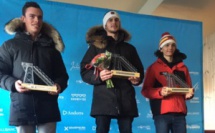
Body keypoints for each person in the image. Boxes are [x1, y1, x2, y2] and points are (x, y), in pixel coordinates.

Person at [0, 1, 69, 133]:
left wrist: (59, 85)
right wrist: (14, 84)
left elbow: (62, 75)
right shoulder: (9, 46)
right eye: (32, 16)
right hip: (22, 108)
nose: (36, 20)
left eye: (40, 17)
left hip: (48, 108)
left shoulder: (51, 49)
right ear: (23, 19)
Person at [80, 11, 144, 133]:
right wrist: (98, 77)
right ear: (105, 25)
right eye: (110, 20)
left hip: (126, 100)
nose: (113, 22)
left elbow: (139, 71)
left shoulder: (130, 49)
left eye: (116, 20)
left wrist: (137, 80)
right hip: (103, 100)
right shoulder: (96, 47)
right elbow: (84, 70)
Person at [141, 32, 194, 133]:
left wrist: (189, 94)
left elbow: (188, 89)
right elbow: (146, 91)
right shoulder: (153, 68)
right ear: (161, 49)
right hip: (161, 114)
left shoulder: (183, 68)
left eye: (173, 45)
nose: (170, 47)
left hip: (180, 113)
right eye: (167, 45)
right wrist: (160, 92)